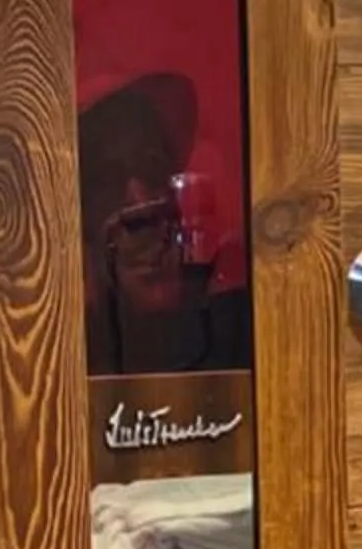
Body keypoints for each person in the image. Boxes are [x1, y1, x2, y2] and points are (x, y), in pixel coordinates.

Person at [77, 71, 252, 376]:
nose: (140, 201)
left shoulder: (243, 329)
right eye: (108, 179)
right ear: (79, 213)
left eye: (152, 165)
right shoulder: (66, 357)